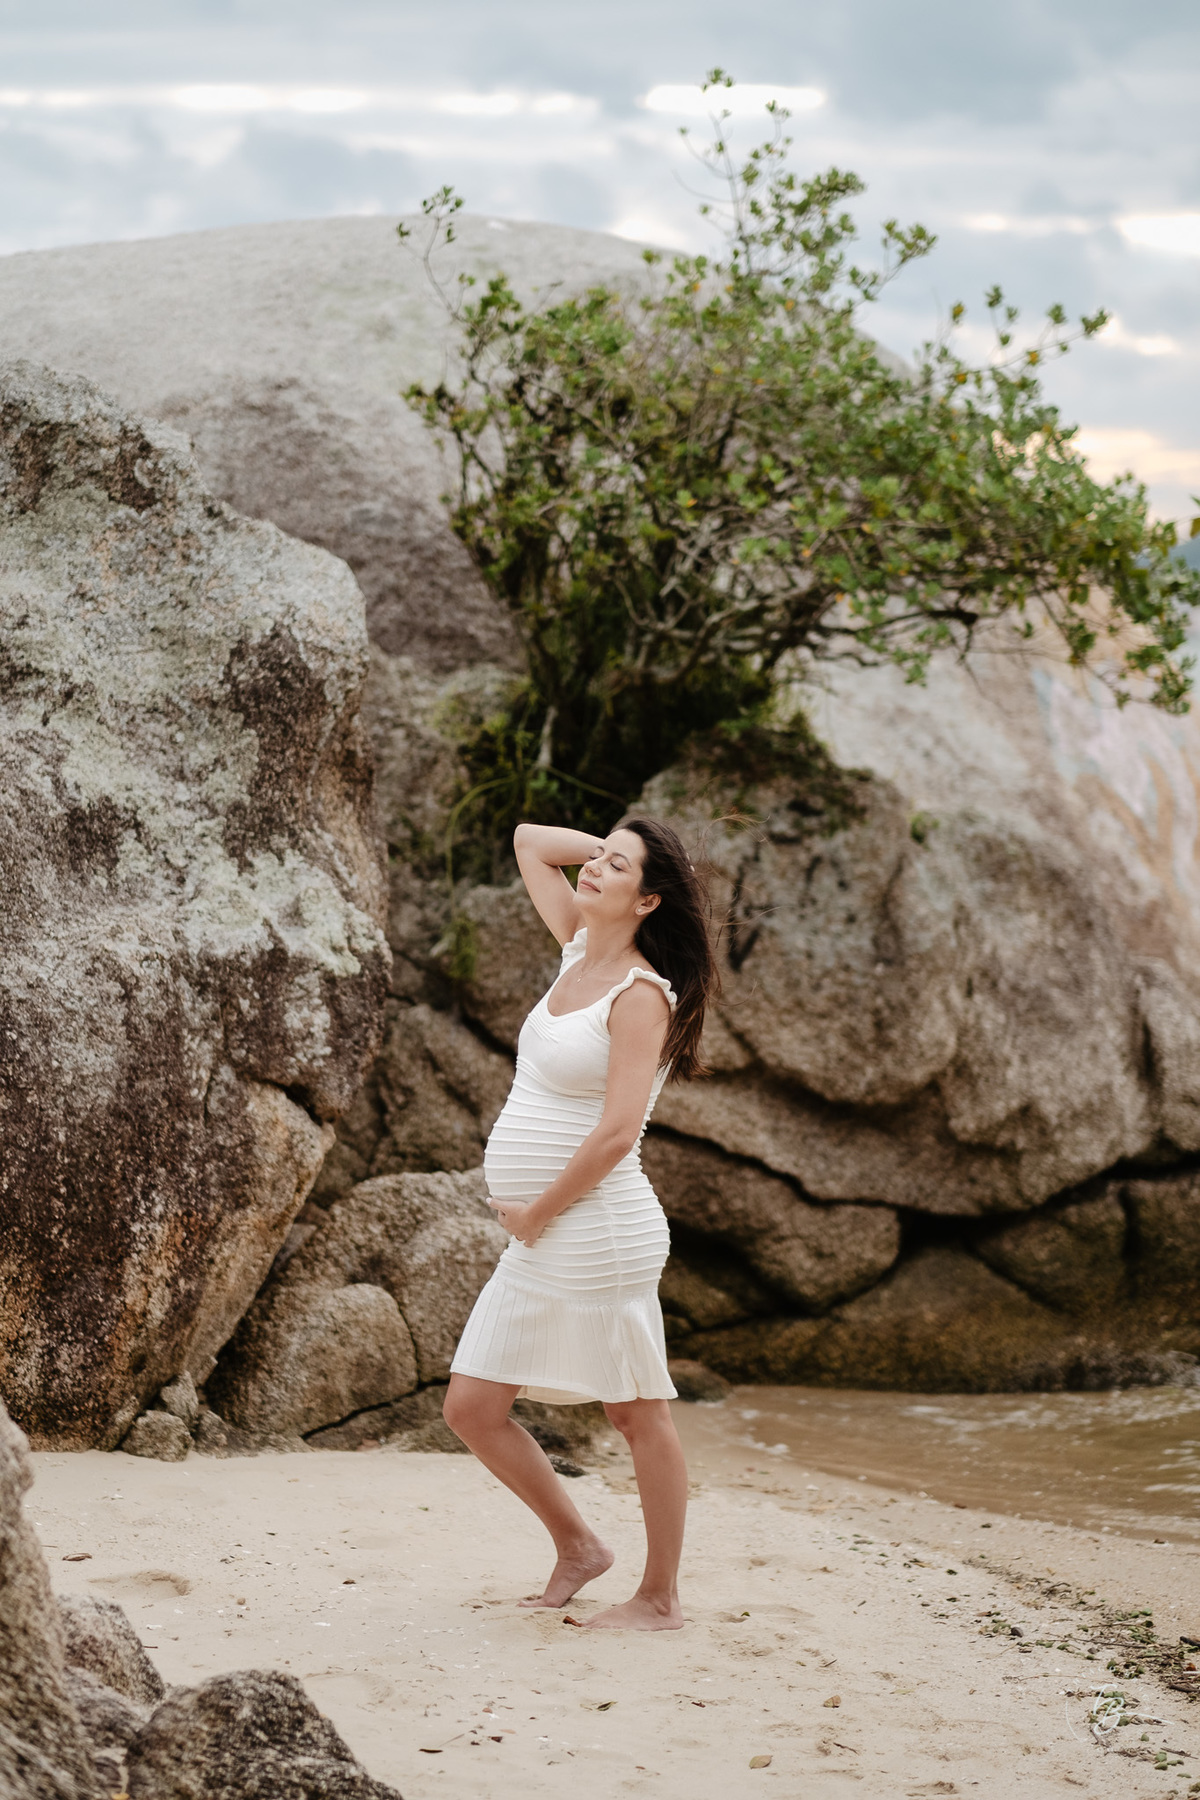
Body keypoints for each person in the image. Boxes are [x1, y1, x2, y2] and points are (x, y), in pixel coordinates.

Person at [443, 815, 716, 1631]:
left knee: (636, 1414)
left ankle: (660, 1596)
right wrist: (618, 841)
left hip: (598, 1229)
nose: (594, 869)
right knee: (472, 1408)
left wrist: (536, 1211)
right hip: (545, 1230)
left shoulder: (639, 996)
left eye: (616, 867)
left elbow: (617, 1133)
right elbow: (527, 838)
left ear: (649, 900)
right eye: (595, 858)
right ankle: (578, 1545)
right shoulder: (575, 950)